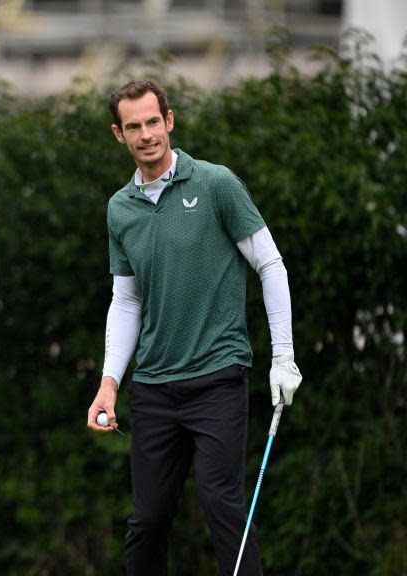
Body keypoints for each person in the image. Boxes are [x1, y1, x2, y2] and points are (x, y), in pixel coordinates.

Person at [85, 80, 303, 576]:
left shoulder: (216, 184)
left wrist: (283, 356)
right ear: (119, 134)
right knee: (148, 520)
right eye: (134, 126)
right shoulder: (120, 209)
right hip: (155, 388)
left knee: (221, 501)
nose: (146, 135)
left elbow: (269, 265)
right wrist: (108, 383)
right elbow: (126, 300)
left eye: (153, 122)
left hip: (217, 377)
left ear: (170, 121)